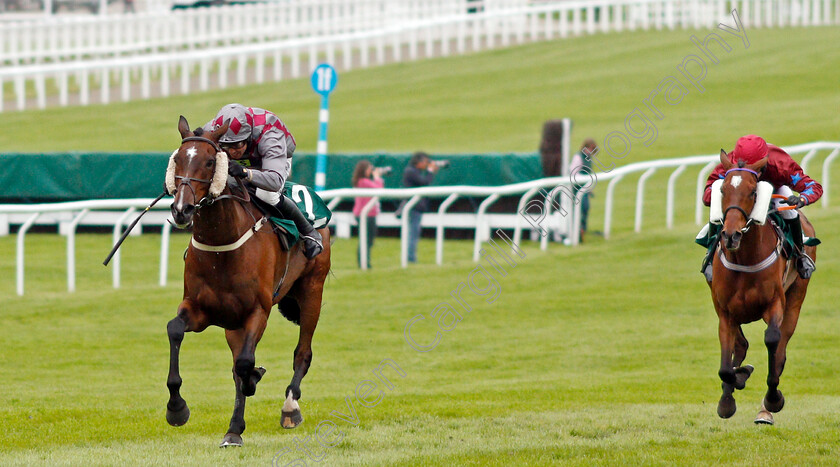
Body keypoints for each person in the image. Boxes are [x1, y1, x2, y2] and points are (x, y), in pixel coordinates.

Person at [203, 103, 323, 259]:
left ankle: (310, 233)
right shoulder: (212, 130)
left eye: (238, 144)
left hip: (274, 160)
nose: (232, 152)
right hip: (247, 161)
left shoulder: (270, 134)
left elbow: (274, 181)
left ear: (248, 137)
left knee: (267, 195)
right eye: (226, 146)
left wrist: (245, 173)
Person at [700, 135, 821, 281]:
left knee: (790, 211)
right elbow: (708, 191)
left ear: (764, 163)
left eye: (757, 170)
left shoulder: (780, 163)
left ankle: (800, 255)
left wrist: (803, 199)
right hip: (741, 193)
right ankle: (711, 257)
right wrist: (720, 194)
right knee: (719, 209)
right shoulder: (730, 163)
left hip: (774, 189)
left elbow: (812, 186)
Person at [401, 152, 439, 263]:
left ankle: (410, 257)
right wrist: (430, 171)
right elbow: (424, 182)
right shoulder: (410, 171)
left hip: (415, 207)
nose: (426, 165)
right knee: (413, 234)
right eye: (425, 162)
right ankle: (411, 258)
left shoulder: (413, 171)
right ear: (418, 162)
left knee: (414, 233)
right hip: (413, 207)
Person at [352, 160, 384, 268]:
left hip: (367, 214)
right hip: (365, 215)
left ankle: (365, 261)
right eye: (369, 169)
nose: (371, 171)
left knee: (368, 240)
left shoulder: (362, 181)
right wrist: (377, 177)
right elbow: (379, 189)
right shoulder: (363, 181)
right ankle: (364, 262)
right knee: (366, 240)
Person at [570, 138, 596, 241]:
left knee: (586, 208)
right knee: (580, 209)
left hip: (584, 188)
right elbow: (573, 172)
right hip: (576, 188)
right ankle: (578, 230)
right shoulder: (578, 157)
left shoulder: (588, 158)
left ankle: (582, 229)